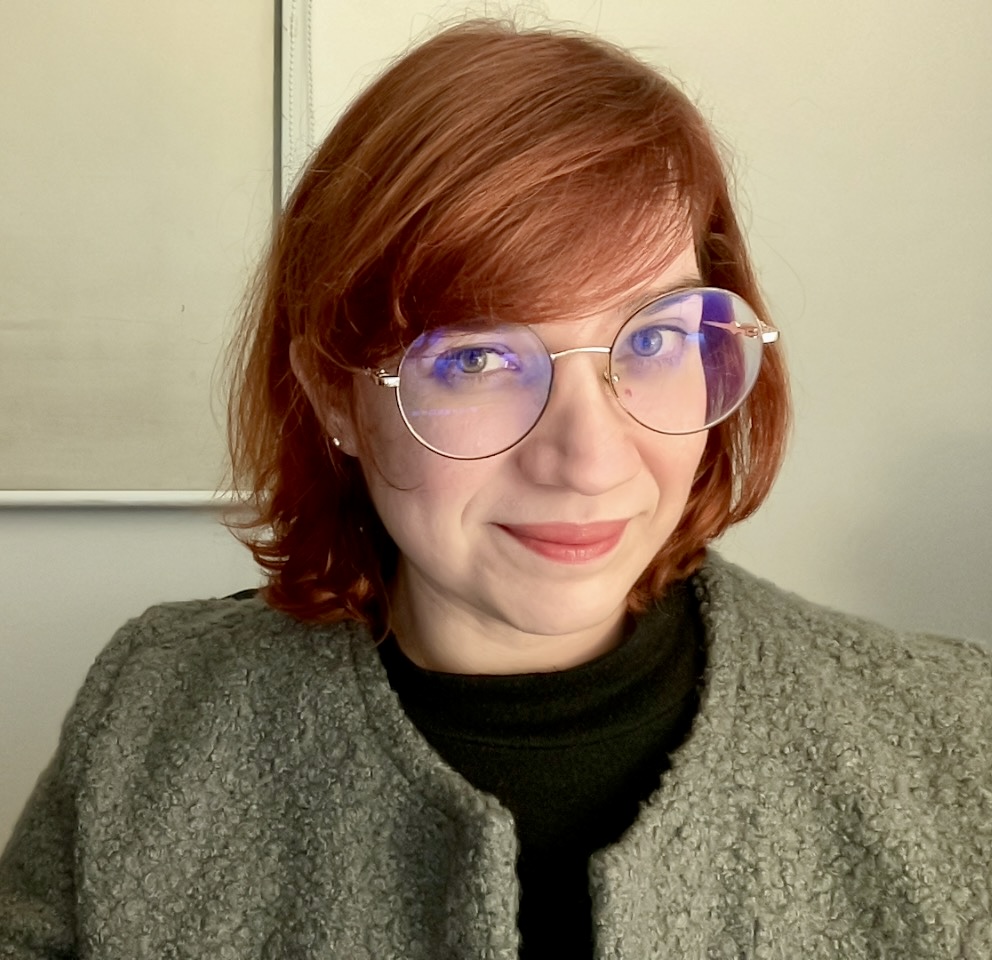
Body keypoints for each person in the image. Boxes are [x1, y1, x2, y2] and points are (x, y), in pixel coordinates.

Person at [1, 18, 989, 960]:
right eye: (476, 359)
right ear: (336, 395)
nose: (590, 460)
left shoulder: (951, 735)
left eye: (653, 339)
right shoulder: (153, 711)